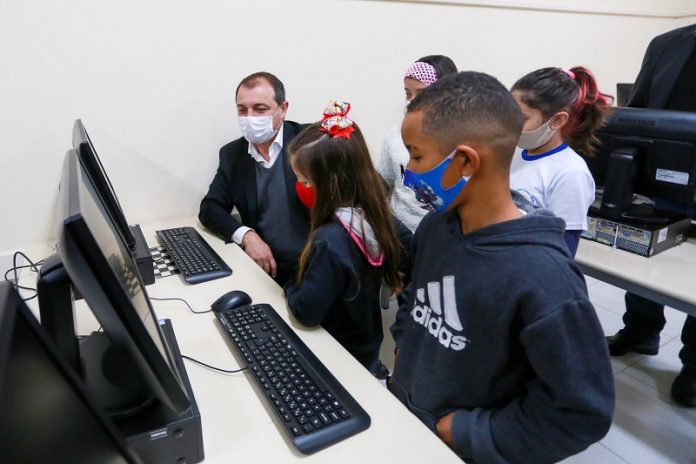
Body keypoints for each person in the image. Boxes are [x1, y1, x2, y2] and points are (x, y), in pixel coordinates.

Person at [389, 71, 614, 463]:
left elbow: (580, 412)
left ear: (464, 162)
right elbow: (414, 299)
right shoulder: (435, 227)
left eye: (417, 155)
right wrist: (405, 349)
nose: (409, 172)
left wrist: (465, 432)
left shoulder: (545, 278)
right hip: (410, 423)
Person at [283, 101, 408, 377]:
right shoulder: (377, 216)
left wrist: (289, 285)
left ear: (331, 182)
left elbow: (306, 311)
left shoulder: (330, 239)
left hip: (336, 357)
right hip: (366, 348)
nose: (300, 188)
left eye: (304, 181)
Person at [607, 24, 696, 408]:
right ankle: (641, 330)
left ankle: (694, 366)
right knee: (646, 257)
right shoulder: (666, 45)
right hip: (666, 179)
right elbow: (636, 113)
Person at [199, 72, 310, 286]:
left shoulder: (310, 142)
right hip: (266, 267)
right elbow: (210, 208)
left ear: (283, 109)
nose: (250, 117)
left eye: (260, 109)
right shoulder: (233, 155)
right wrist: (247, 236)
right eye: (242, 110)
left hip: (314, 264)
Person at [509, 66, 612, 257]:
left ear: (557, 121)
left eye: (521, 118)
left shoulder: (571, 175)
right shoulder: (513, 153)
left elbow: (561, 255)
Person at [378, 55, 458, 233]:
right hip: (400, 235)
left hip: (444, 238)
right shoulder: (395, 135)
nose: (411, 101)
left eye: (421, 94)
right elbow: (383, 181)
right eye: (408, 93)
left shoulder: (465, 139)